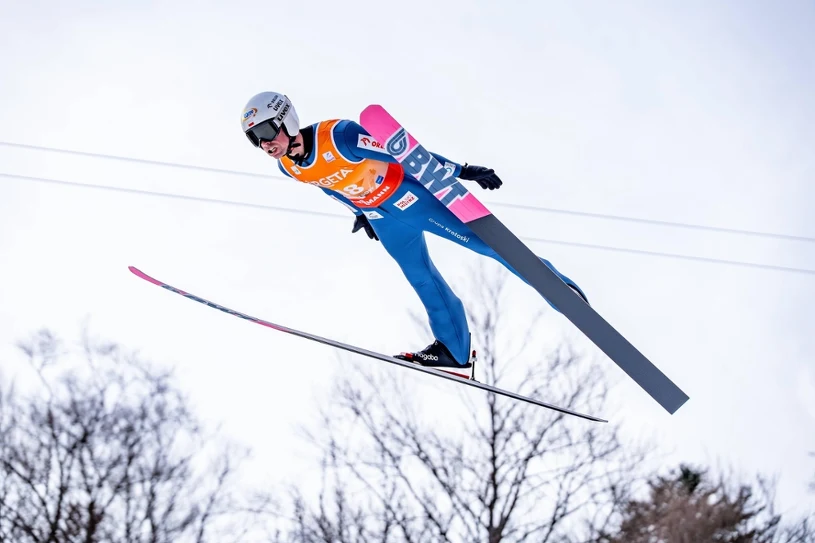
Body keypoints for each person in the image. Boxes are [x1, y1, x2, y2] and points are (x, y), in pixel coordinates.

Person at [240, 91, 588, 371]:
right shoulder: (289, 167)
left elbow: (406, 155)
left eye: (267, 132)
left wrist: (462, 170)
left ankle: (559, 288)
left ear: (287, 120)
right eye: (255, 140)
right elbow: (329, 186)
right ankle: (454, 349)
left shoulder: (339, 135)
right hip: (381, 216)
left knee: (489, 246)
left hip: (413, 198)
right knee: (420, 277)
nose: (264, 144)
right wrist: (358, 212)